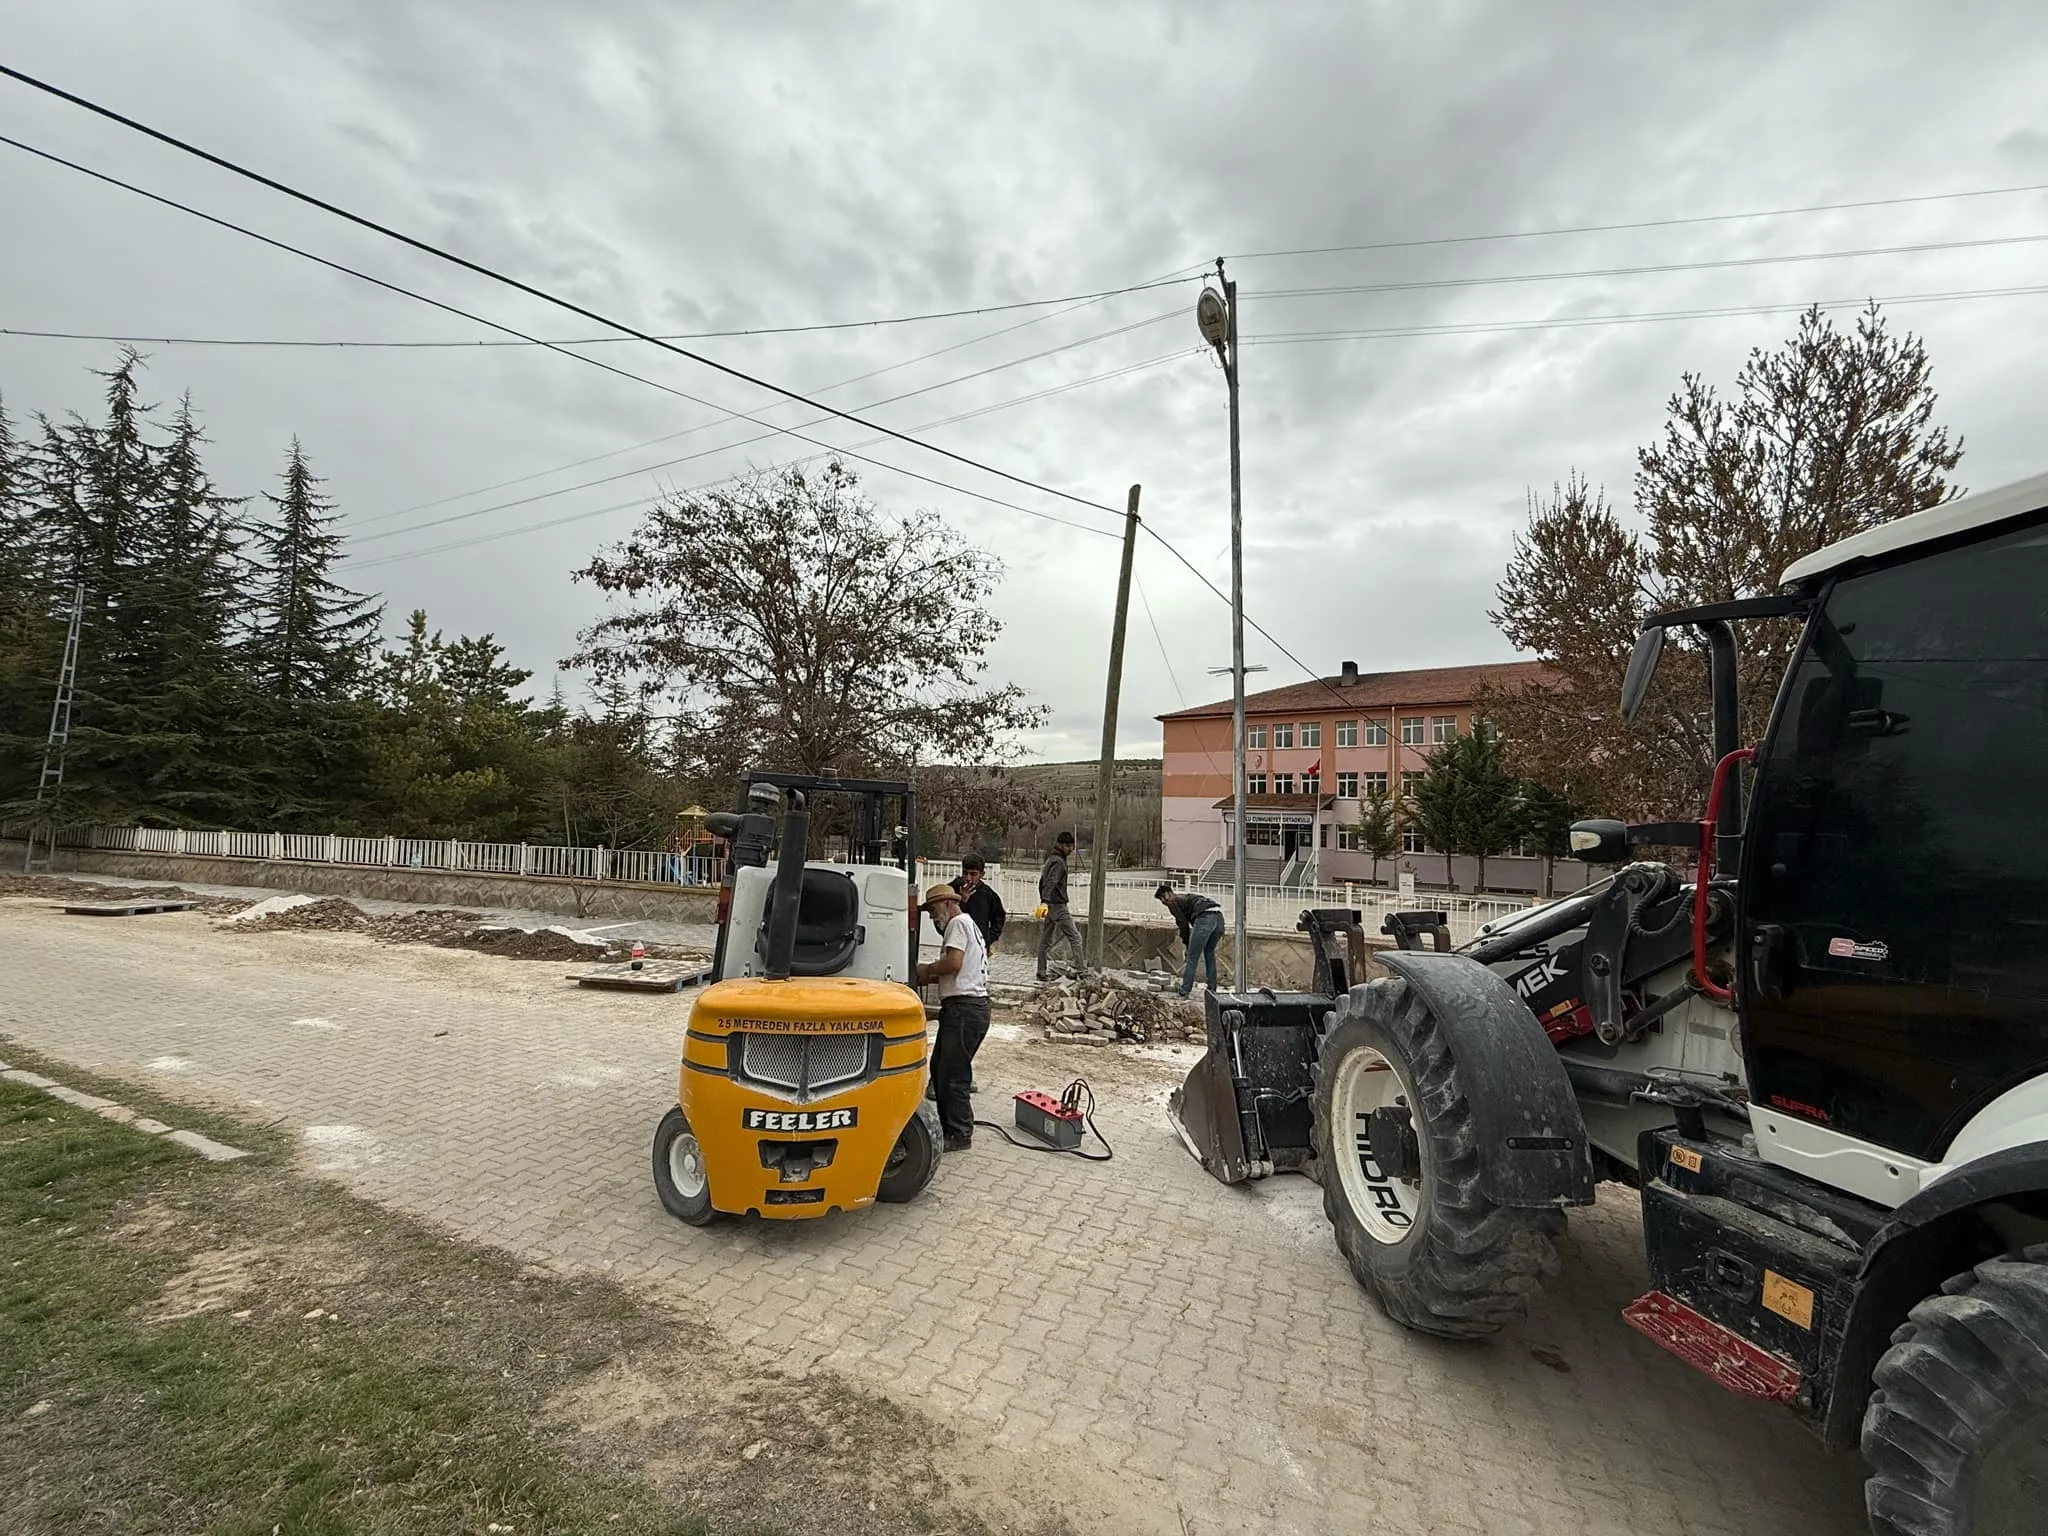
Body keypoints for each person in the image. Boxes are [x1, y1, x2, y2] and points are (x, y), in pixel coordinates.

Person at [915, 883, 989, 1151]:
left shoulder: (957, 924)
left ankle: (959, 1133)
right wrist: (932, 974)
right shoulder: (969, 924)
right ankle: (951, 1127)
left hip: (964, 1008)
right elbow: (959, 970)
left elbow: (954, 964)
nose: (934, 917)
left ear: (948, 904)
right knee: (941, 1069)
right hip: (969, 1008)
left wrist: (926, 969)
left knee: (953, 1074)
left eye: (934, 910)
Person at [1156, 881, 1224, 998]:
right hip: (1219, 918)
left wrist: (1187, 944)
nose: (1163, 903)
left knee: (1192, 956)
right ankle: (1212, 988)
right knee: (1209, 952)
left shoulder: (1173, 902)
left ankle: (1185, 989)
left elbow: (1183, 925)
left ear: (1167, 894)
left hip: (1204, 918)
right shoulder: (1187, 897)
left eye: (1162, 899)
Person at [1036, 832, 1085, 982]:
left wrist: (1044, 901)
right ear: (1062, 845)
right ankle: (1081, 971)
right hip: (1057, 906)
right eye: (1069, 846)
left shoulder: (1051, 859)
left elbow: (1042, 882)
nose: (1071, 849)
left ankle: (1041, 972)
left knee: (1046, 940)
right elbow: (1051, 882)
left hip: (1050, 905)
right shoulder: (1059, 862)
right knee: (1075, 937)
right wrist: (1045, 900)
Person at [955, 855, 1006, 951]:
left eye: (973, 874)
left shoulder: (988, 894)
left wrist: (988, 939)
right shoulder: (953, 889)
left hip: (978, 946)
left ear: (982, 874)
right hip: (956, 943)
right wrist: (962, 901)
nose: (968, 878)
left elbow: (999, 917)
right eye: (965, 873)